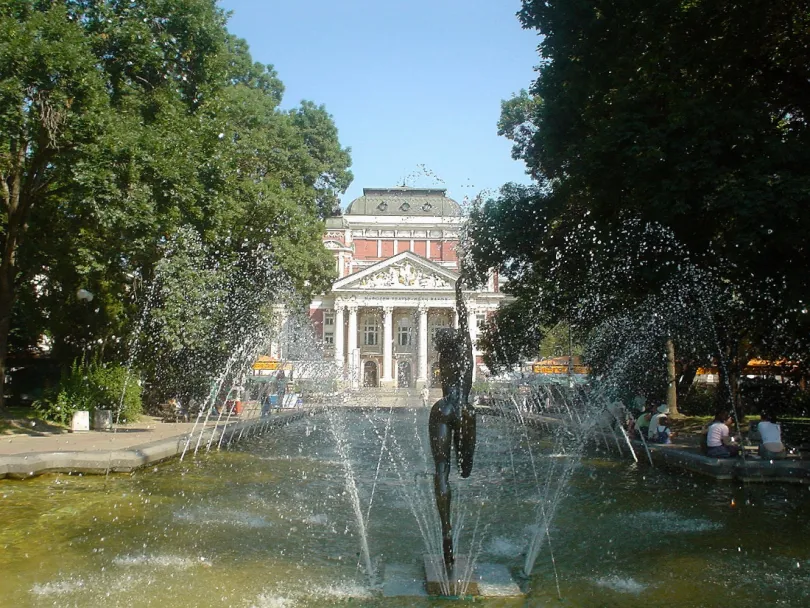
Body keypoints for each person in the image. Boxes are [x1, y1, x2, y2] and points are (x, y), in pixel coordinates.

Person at [429, 277, 476, 570]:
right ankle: (449, 536)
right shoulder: (465, 356)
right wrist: (459, 294)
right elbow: (465, 323)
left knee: (442, 471)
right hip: (465, 410)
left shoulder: (444, 359)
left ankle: (446, 533)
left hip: (442, 409)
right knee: (466, 470)